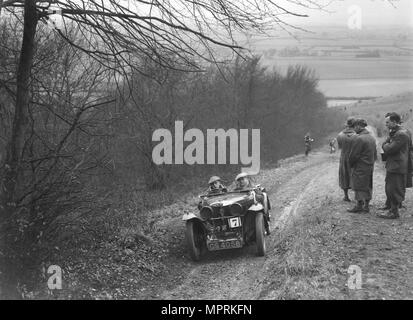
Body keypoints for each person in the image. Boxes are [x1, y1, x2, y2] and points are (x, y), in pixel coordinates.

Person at [378, 113, 410, 219]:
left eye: (388, 122)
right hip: (394, 164)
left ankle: (394, 212)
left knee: (394, 188)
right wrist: (387, 143)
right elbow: (388, 145)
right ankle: (391, 208)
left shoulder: (401, 134)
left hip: (397, 165)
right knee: (390, 187)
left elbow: (390, 149)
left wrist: (385, 145)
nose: (386, 124)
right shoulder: (396, 133)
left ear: (395, 122)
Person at [347, 119, 377, 213]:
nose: (354, 128)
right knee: (368, 184)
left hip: (360, 165)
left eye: (355, 126)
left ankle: (359, 205)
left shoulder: (359, 138)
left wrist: (351, 163)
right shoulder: (371, 137)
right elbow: (375, 153)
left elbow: (353, 155)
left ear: (359, 126)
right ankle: (367, 206)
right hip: (369, 165)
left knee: (358, 185)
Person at [337, 117, 357, 202]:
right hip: (354, 157)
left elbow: (340, 147)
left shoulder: (340, 135)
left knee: (344, 175)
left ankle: (346, 196)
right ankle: (357, 197)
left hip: (344, 157)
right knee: (355, 175)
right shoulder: (357, 135)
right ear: (355, 125)